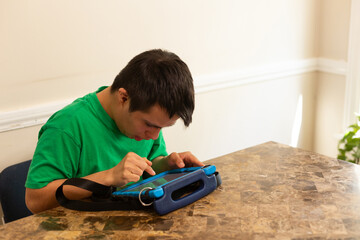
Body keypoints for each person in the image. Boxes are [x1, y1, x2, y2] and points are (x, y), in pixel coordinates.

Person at [25, 49, 204, 213]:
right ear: (123, 98)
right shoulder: (66, 127)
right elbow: (35, 200)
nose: (154, 135)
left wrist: (167, 165)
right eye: (150, 125)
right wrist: (109, 176)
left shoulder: (147, 116)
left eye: (162, 128)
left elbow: (149, 165)